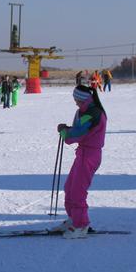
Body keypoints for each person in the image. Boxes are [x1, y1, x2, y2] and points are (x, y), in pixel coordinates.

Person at [55, 85, 107, 239]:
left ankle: (81, 225)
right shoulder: (85, 111)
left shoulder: (92, 113)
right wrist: (67, 128)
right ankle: (74, 219)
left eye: (76, 100)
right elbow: (78, 129)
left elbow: (75, 135)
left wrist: (64, 131)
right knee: (69, 188)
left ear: (83, 99)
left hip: (90, 155)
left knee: (78, 191)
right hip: (83, 153)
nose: (75, 103)